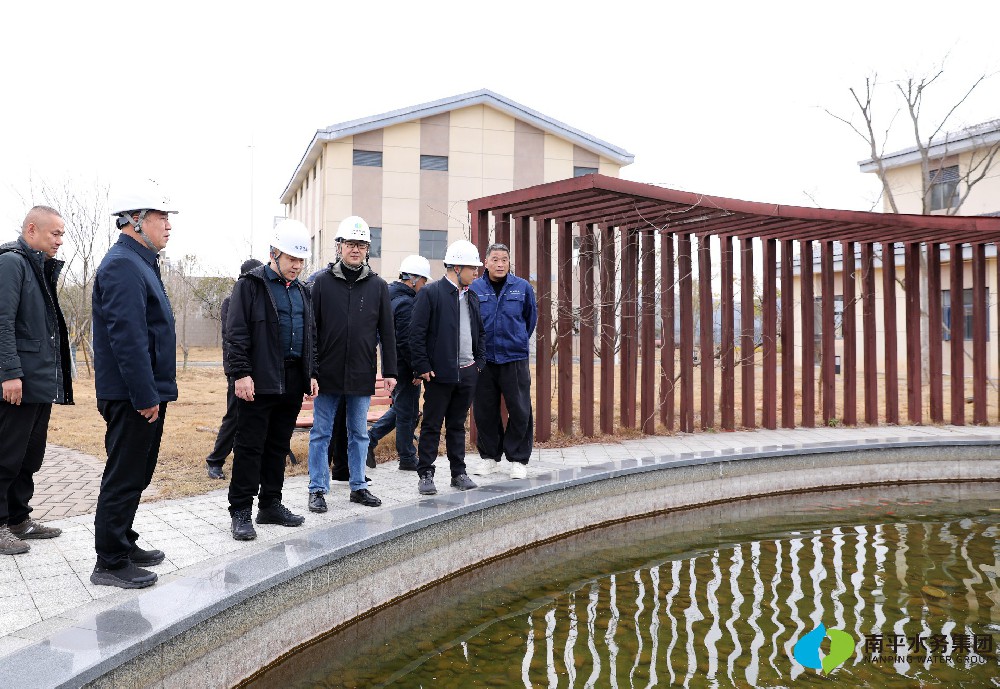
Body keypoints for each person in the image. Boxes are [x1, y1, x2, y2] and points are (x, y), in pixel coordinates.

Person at [90, 184, 178, 588]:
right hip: (131, 396)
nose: (168, 226)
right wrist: (144, 395)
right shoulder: (122, 265)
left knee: (137, 472)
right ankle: (109, 562)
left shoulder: (140, 262)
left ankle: (122, 541)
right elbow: (128, 337)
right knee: (124, 474)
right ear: (135, 219)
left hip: (143, 392)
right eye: (162, 217)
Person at [226, 219, 317, 540]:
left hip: (292, 380)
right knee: (250, 446)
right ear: (273, 253)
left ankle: (270, 504)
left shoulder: (303, 292)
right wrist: (240, 374)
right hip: (258, 379)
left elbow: (310, 334)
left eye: (300, 260)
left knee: (278, 445)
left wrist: (312, 372)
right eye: (291, 259)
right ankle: (240, 511)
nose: (296, 266)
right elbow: (235, 333)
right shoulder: (250, 286)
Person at [307, 216, 396, 511]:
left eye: (360, 244)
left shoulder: (378, 286)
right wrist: (310, 371)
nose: (355, 249)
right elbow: (311, 330)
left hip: (361, 372)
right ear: (339, 247)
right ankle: (317, 489)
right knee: (321, 433)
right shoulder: (320, 283)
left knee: (359, 433)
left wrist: (391, 371)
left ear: (367, 248)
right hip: (326, 373)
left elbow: (387, 332)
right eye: (349, 244)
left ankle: (358, 486)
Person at [0, 206, 73, 556]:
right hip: (18, 382)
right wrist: (10, 373)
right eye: (55, 233)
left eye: (61, 234)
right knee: (6, 455)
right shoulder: (12, 263)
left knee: (31, 455)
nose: (60, 240)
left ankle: (18, 518)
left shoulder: (38, 268)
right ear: (32, 229)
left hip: (39, 381)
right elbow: (2, 323)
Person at [409, 239, 485, 496]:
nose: (476, 273)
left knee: (456, 425)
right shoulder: (430, 294)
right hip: (439, 374)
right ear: (456, 267)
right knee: (431, 424)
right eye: (472, 268)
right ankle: (426, 474)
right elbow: (416, 334)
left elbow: (480, 334)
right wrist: (422, 366)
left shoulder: (472, 297)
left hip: (467, 372)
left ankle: (458, 473)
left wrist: (478, 365)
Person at [470, 243, 538, 479]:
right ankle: (490, 457)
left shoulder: (522, 287)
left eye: (505, 259)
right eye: (495, 259)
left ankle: (518, 459)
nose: (500, 264)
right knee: (484, 410)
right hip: (484, 359)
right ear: (486, 262)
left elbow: (530, 319)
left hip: (514, 357)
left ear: (509, 263)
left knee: (520, 409)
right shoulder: (475, 288)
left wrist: (515, 339)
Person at [367, 255, 431, 472]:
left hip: (394, 365)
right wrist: (417, 368)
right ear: (412, 279)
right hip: (404, 367)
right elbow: (406, 341)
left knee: (402, 408)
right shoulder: (405, 303)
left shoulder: (390, 295)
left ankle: (371, 439)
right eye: (423, 281)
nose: (424, 286)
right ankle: (407, 457)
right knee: (408, 411)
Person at [205, 258, 263, 479]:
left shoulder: (260, 300)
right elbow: (233, 339)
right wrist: (237, 373)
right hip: (238, 371)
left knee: (254, 420)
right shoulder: (232, 302)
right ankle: (215, 460)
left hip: (258, 371)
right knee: (234, 417)